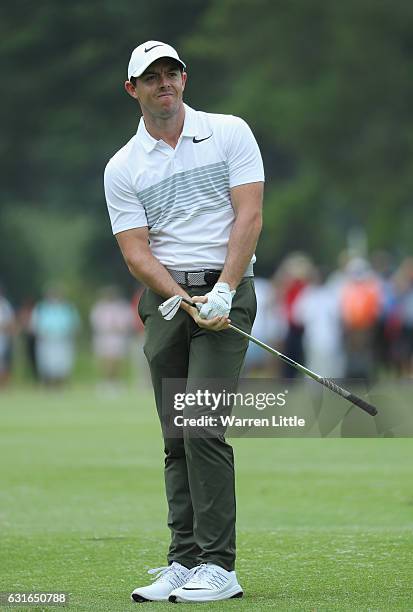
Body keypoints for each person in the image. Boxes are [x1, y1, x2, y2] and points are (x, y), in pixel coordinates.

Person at [104, 41, 264, 603]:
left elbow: (250, 212)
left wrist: (222, 289)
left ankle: (220, 566)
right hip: (168, 303)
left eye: (171, 73)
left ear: (184, 79)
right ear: (134, 89)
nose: (163, 84)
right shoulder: (123, 166)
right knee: (177, 434)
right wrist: (184, 297)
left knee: (200, 423)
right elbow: (136, 252)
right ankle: (185, 558)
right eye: (151, 78)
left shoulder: (228, 132)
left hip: (228, 291)